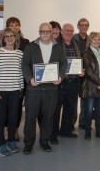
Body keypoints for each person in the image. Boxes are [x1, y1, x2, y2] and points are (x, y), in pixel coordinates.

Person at [21, 23, 67, 154]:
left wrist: (60, 76)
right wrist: (30, 78)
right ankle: (28, 144)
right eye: (43, 31)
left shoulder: (58, 47)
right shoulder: (31, 46)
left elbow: (64, 64)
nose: (45, 34)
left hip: (51, 89)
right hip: (33, 89)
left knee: (48, 117)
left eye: (48, 31)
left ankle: (44, 141)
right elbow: (24, 64)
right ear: (39, 32)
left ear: (52, 32)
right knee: (30, 118)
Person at [0, 17, 29, 141]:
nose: (14, 27)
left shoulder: (23, 47)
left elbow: (23, 67)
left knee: (15, 112)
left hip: (17, 86)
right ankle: (3, 137)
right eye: (11, 25)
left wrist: (22, 87)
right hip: (1, 87)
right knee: (2, 114)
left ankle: (13, 135)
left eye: (16, 25)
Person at [0, 28, 23, 156]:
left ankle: (11, 141)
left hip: (15, 91)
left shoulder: (20, 53)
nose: (9, 38)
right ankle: (1, 144)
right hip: (0, 92)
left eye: (12, 36)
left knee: (13, 118)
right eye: (7, 36)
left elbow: (20, 73)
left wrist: (21, 88)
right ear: (3, 39)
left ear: (16, 38)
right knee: (1, 118)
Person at [50, 23, 82, 145]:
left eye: (71, 31)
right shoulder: (55, 44)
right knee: (56, 109)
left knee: (70, 108)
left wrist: (81, 70)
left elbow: (79, 61)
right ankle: (54, 134)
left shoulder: (76, 44)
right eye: (67, 30)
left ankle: (66, 130)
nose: (69, 33)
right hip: (60, 82)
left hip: (73, 81)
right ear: (62, 32)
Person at [80, 32, 100, 140]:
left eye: (98, 39)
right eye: (94, 39)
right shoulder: (85, 53)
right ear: (90, 41)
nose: (97, 41)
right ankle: (87, 132)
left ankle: (99, 132)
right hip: (90, 86)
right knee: (88, 111)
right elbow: (88, 72)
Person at [73, 18, 90, 130]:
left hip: (88, 72)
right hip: (75, 72)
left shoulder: (90, 39)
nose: (84, 27)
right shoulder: (73, 38)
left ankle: (83, 122)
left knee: (85, 98)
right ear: (78, 26)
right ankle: (71, 123)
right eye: (82, 25)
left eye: (86, 25)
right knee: (74, 99)